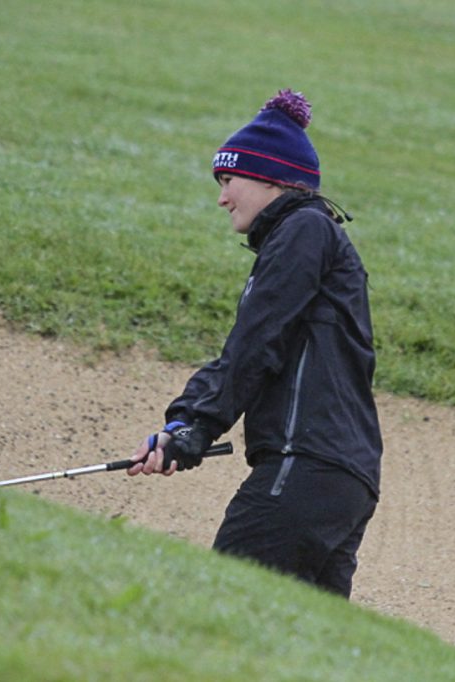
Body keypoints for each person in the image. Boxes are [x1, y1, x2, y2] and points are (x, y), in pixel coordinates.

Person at [127, 89, 382, 599]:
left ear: (271, 177)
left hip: (305, 466)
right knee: (300, 651)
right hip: (338, 477)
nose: (222, 197)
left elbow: (255, 343)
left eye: (229, 180)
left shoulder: (304, 228)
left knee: (222, 609)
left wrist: (196, 425)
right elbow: (249, 347)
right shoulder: (309, 237)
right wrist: (182, 423)